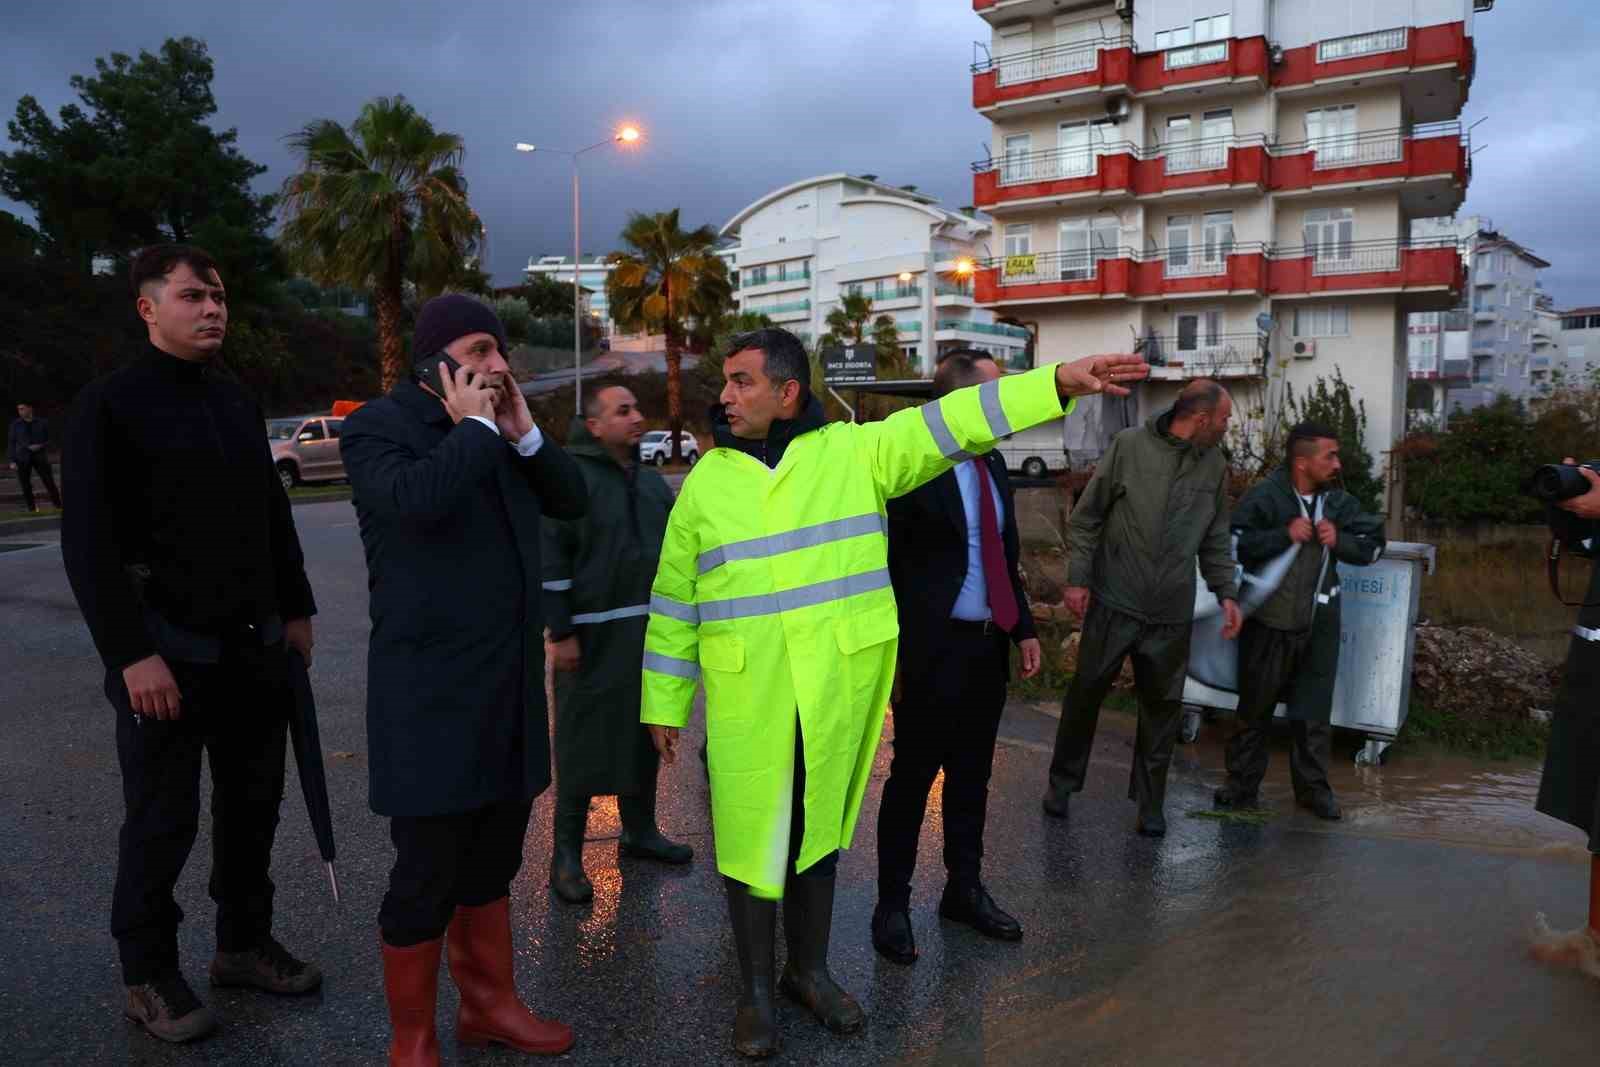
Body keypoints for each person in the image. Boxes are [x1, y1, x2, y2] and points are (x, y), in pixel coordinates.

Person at [641, 327, 1147, 1057]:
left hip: (832, 691)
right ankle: (755, 991)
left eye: (742, 380)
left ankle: (806, 972)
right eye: (726, 381)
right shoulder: (708, 482)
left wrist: (1057, 380)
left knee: (819, 831)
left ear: (788, 392)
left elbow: (953, 420)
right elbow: (673, 596)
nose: (724, 395)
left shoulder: (855, 451)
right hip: (747, 694)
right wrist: (663, 699)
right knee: (752, 840)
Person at [61, 244, 321, 1044]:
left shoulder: (235, 400)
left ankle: (242, 944)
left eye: (218, 296)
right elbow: (89, 542)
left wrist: (298, 606)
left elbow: (271, 516)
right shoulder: (109, 405)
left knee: (253, 809)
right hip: (163, 655)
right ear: (148, 308)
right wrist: (129, 653)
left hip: (251, 647)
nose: (212, 308)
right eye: (191, 296)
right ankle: (147, 973)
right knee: (161, 820)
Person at [340, 295, 587, 1065]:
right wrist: (476, 428)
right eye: (481, 351)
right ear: (436, 361)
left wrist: (523, 434)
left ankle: (488, 1006)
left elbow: (572, 502)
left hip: (508, 688)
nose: (499, 366)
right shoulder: (379, 427)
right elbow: (416, 504)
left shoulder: (504, 435)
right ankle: (411, 1035)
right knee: (428, 871)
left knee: (493, 860)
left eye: (503, 351)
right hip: (429, 698)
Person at [872, 349, 1043, 965]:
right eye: (995, 394)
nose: (1006, 405)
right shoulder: (912, 467)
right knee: (913, 777)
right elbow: (881, 562)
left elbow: (1005, 552)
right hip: (928, 648)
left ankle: (963, 891)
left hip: (984, 645)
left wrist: (1022, 629)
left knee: (973, 776)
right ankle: (892, 903)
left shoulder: (994, 464)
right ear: (962, 401)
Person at [1043, 379, 1242, 837]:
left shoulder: (1214, 466)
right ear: (1202, 418)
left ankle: (1150, 805)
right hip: (1115, 599)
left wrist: (1227, 592)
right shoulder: (1129, 447)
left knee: (1162, 710)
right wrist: (1077, 579)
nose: (1228, 427)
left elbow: (1214, 539)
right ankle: (1062, 784)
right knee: (1085, 695)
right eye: (1226, 419)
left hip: (1171, 612)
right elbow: (1088, 516)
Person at [542, 384, 692, 905]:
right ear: (595, 424)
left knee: (641, 734)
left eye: (636, 406)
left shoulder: (650, 482)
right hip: (589, 637)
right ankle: (566, 857)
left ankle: (639, 831)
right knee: (581, 746)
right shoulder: (569, 481)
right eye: (623, 410)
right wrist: (560, 632)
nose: (637, 416)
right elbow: (551, 557)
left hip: (647, 634)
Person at [1215, 423, 1385, 819]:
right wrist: (1282, 535)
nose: (1338, 463)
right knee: (1254, 711)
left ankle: (1312, 792)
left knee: (1312, 714)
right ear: (1302, 462)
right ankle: (1240, 787)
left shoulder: (1340, 503)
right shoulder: (1264, 498)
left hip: (1318, 625)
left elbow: (1375, 545)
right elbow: (1231, 546)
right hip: (1268, 623)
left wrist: (1338, 540)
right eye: (1330, 455)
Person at [9, 401, 62, 511]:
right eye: (19, 409)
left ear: (30, 409)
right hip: (22, 458)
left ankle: (58, 505)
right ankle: (32, 509)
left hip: (40, 456)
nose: (20, 412)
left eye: (22, 409)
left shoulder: (42, 423)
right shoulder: (15, 425)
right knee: (25, 485)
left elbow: (50, 440)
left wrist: (41, 445)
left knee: (49, 481)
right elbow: (12, 443)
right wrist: (12, 460)